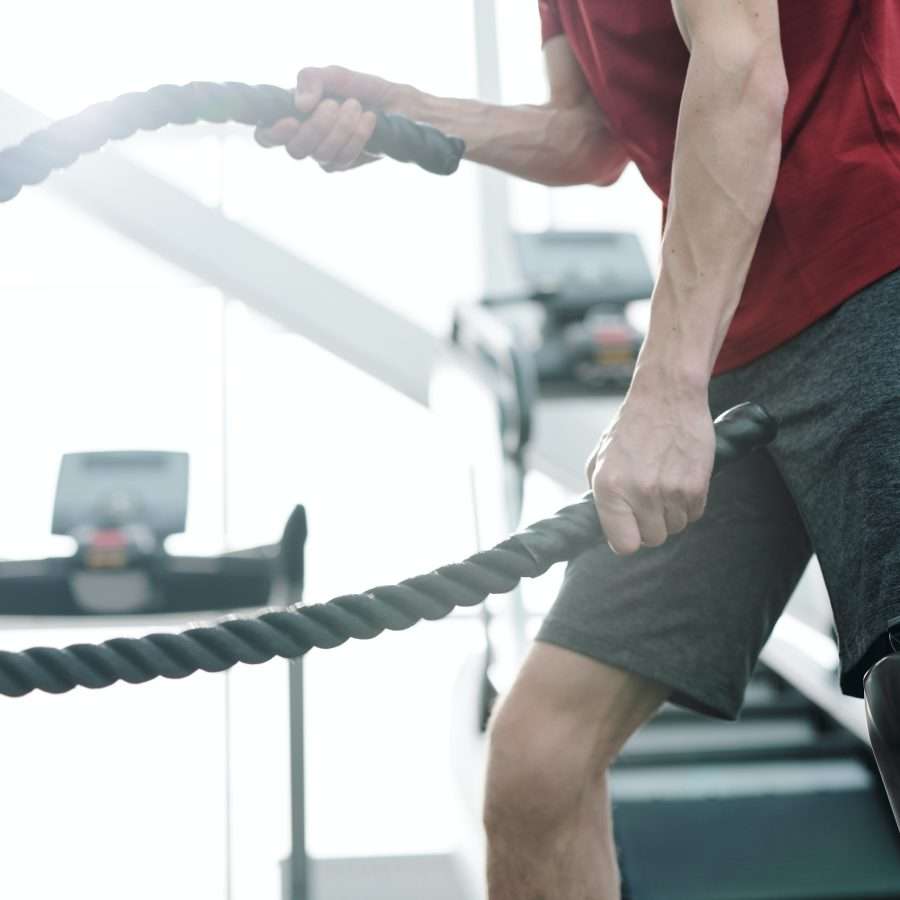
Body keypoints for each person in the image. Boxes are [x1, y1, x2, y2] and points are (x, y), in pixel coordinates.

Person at [257, 1, 900, 896]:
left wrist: (666, 389)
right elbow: (587, 134)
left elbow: (742, 62)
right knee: (536, 769)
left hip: (879, 264)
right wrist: (401, 114)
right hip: (737, 335)